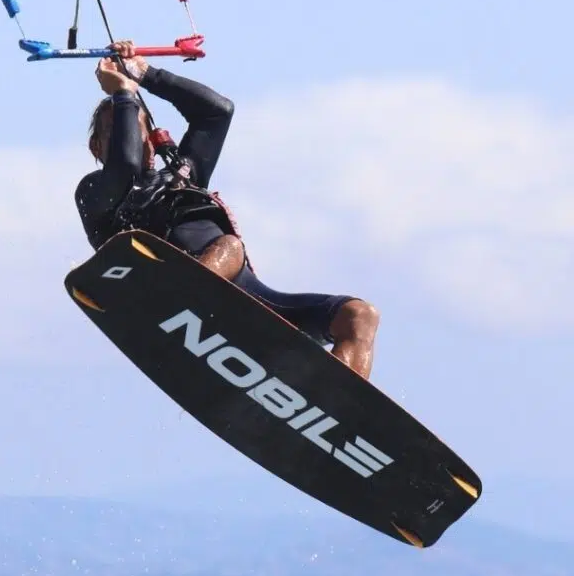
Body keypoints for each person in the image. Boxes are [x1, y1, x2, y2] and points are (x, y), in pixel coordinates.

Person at [74, 41, 380, 379]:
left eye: (136, 125)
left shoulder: (183, 173)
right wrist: (124, 96)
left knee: (360, 316)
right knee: (230, 248)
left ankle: (340, 413)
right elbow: (125, 164)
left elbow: (218, 112)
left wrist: (145, 74)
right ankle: (180, 310)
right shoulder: (96, 192)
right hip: (164, 302)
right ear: (96, 146)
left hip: (243, 302)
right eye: (117, 127)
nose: (131, 134)